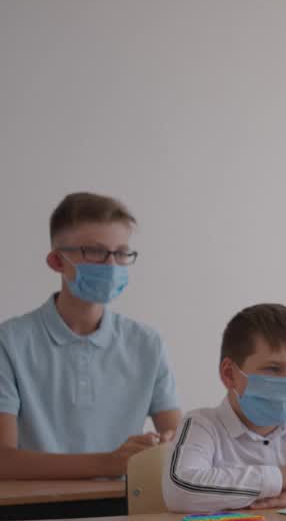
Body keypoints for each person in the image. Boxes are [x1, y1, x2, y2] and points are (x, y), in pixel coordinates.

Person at [0, 192, 181, 479]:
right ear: (57, 262)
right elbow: (3, 461)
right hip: (32, 512)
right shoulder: (9, 342)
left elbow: (178, 439)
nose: (111, 266)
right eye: (95, 252)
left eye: (121, 253)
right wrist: (107, 463)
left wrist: (164, 446)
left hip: (123, 508)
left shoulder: (147, 343)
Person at [162, 304, 286, 513]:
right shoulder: (202, 424)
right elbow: (180, 490)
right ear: (229, 374)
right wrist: (282, 477)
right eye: (273, 368)